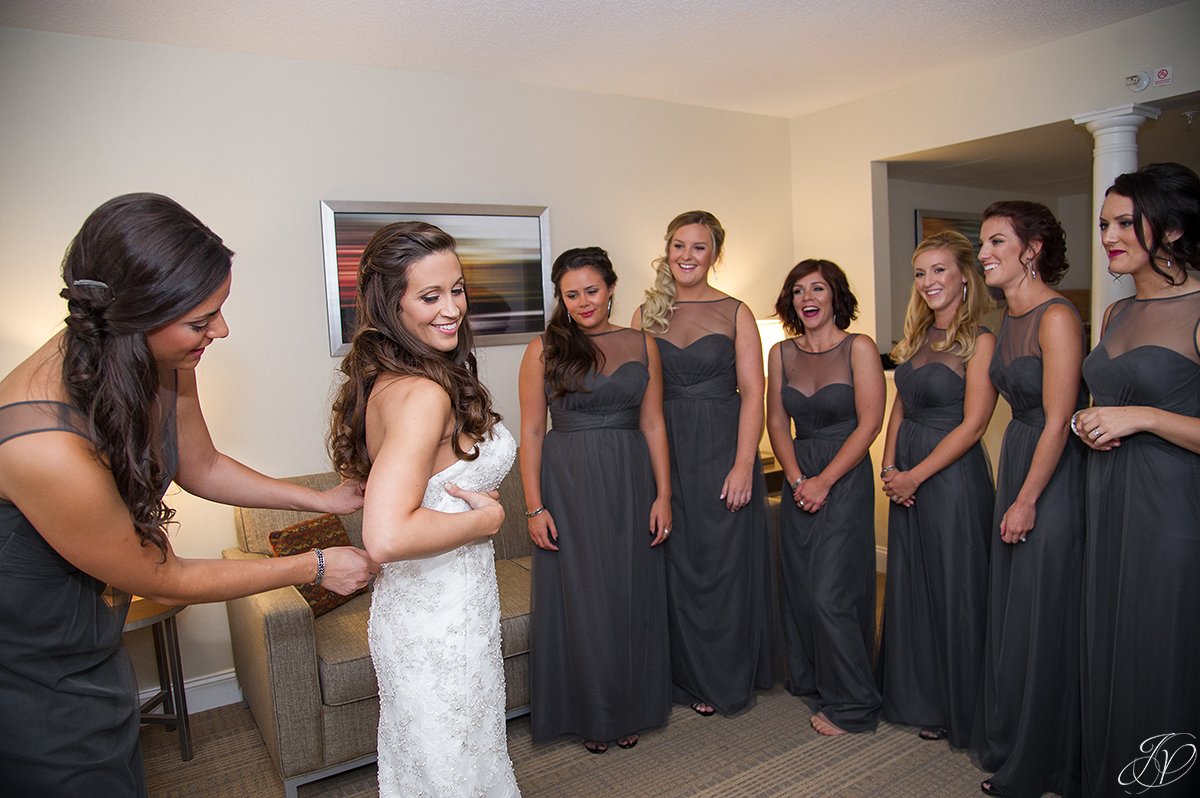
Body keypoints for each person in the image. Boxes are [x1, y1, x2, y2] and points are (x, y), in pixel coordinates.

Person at [0, 193, 377, 797]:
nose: (221, 331)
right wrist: (316, 564)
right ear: (134, 317)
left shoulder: (158, 356)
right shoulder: (42, 447)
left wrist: (320, 501)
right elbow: (163, 577)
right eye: (202, 321)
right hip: (31, 668)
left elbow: (198, 464)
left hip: (91, 638)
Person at [328, 222, 520, 796]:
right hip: (440, 620)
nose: (451, 309)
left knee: (448, 763)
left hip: (434, 605)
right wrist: (484, 521)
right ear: (392, 304)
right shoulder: (421, 393)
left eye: (456, 290)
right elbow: (383, 534)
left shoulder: (394, 380)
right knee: (452, 766)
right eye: (429, 296)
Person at [1074, 162, 1200, 798]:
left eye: (1126, 222)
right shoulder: (1116, 312)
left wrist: (1147, 416)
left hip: (1173, 509)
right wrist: (1090, 419)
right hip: (1109, 497)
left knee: (1160, 653)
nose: (1109, 236)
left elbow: (1152, 410)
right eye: (1104, 224)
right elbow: (1111, 397)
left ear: (1172, 229)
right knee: (1111, 646)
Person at [520, 246, 672, 754]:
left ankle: (628, 707)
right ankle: (591, 715)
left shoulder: (642, 342)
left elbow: (653, 423)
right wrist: (535, 507)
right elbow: (532, 434)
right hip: (571, 485)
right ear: (560, 299)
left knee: (629, 594)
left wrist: (664, 495)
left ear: (610, 287)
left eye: (591, 289)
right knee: (582, 598)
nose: (583, 302)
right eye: (571, 294)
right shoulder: (544, 348)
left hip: (632, 482)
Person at [633, 210, 773, 717]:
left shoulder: (735, 311)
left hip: (721, 449)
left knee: (722, 564)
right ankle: (683, 678)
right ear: (666, 250)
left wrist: (743, 464)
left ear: (715, 254)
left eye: (698, 247)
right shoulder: (645, 315)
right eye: (678, 245)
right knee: (673, 565)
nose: (686, 256)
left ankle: (724, 675)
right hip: (665, 452)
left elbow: (754, 392)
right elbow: (635, 397)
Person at [969, 201, 1086, 797]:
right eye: (982, 243)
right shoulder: (1004, 320)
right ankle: (1014, 737)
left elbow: (1061, 415)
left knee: (1044, 613)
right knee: (1014, 609)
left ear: (1031, 249)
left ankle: (1045, 760)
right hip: (1018, 451)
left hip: (1051, 471)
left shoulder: (1056, 316)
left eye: (995, 242)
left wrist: (1028, 499)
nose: (983, 252)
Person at [877, 231, 997, 747]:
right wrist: (888, 464)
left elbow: (973, 425)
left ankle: (961, 706)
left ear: (965, 278)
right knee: (915, 587)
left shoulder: (982, 341)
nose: (928, 282)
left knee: (955, 589)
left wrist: (915, 475)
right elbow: (900, 402)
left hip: (951, 479)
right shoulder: (917, 338)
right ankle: (918, 697)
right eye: (921, 273)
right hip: (906, 474)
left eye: (940, 271)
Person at [765, 258, 885, 737]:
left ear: (835, 295)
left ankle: (856, 703)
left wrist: (823, 481)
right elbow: (776, 422)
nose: (807, 298)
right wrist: (796, 479)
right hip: (801, 478)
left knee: (832, 591)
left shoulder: (860, 347)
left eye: (817, 289)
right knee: (801, 586)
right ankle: (818, 679)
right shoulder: (780, 352)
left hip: (845, 475)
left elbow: (870, 423)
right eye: (798, 291)